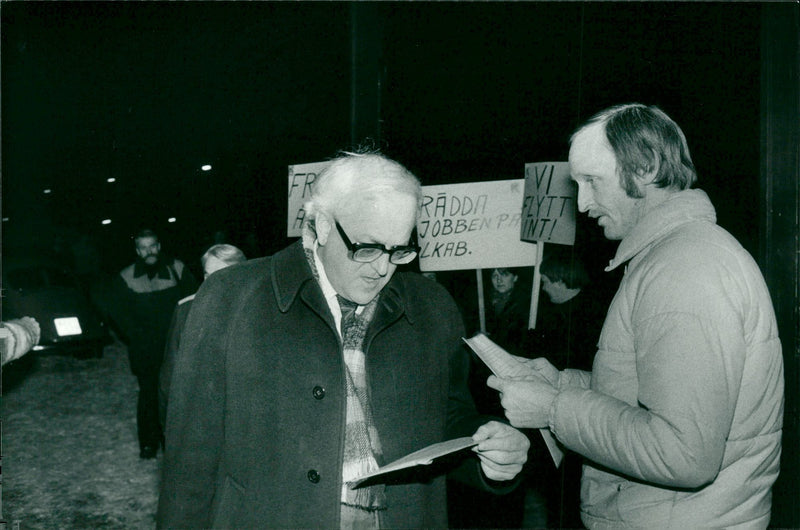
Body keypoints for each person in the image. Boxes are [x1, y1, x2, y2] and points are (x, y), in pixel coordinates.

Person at [157, 150, 530, 528]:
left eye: (399, 249)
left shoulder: (433, 307)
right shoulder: (230, 299)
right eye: (366, 247)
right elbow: (190, 461)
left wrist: (487, 448)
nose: (383, 268)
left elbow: (447, 417)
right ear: (320, 224)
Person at [488, 103, 784, 528]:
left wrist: (554, 409)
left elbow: (683, 454)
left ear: (644, 167)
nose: (583, 203)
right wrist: (561, 383)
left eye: (592, 181)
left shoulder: (684, 268)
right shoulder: (677, 255)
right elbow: (654, 398)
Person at [109, 228, 198, 459]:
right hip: (146, 349)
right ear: (137, 250)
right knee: (148, 394)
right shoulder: (127, 277)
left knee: (175, 395)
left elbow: (194, 301)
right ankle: (148, 443)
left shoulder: (177, 269)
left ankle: (173, 443)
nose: (149, 251)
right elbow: (117, 312)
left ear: (159, 246)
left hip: (176, 346)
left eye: (152, 246)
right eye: (143, 247)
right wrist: (135, 336)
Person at [158, 243, 247, 431]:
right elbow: (170, 378)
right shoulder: (186, 311)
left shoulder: (260, 311)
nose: (212, 282)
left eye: (221, 274)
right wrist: (170, 428)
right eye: (208, 274)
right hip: (202, 421)